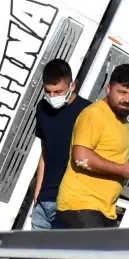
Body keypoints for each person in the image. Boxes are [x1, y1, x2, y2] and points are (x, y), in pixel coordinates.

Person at [54, 63, 129, 229]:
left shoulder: (122, 121)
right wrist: (122, 170)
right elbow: (81, 157)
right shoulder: (95, 114)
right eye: (121, 92)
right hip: (81, 204)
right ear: (108, 89)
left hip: (104, 209)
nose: (127, 99)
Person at [31, 58, 88, 231]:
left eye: (58, 91)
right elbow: (45, 152)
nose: (52, 97)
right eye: (48, 91)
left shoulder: (87, 112)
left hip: (69, 203)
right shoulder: (43, 108)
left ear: (72, 86)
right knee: (32, 255)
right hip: (44, 202)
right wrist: (38, 192)